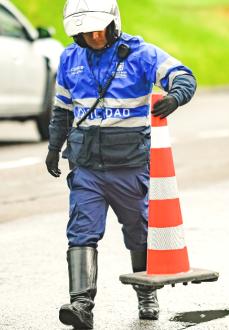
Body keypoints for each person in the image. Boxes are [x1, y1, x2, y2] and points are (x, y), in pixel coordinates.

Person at [45, 0, 196, 328]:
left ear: (113, 24)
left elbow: (183, 76)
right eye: (85, 32)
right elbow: (61, 110)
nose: (94, 37)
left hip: (130, 165)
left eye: (98, 30)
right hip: (86, 166)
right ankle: (81, 305)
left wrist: (175, 96)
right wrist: (54, 147)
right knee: (82, 231)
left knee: (138, 232)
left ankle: (146, 293)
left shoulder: (142, 54)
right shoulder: (70, 58)